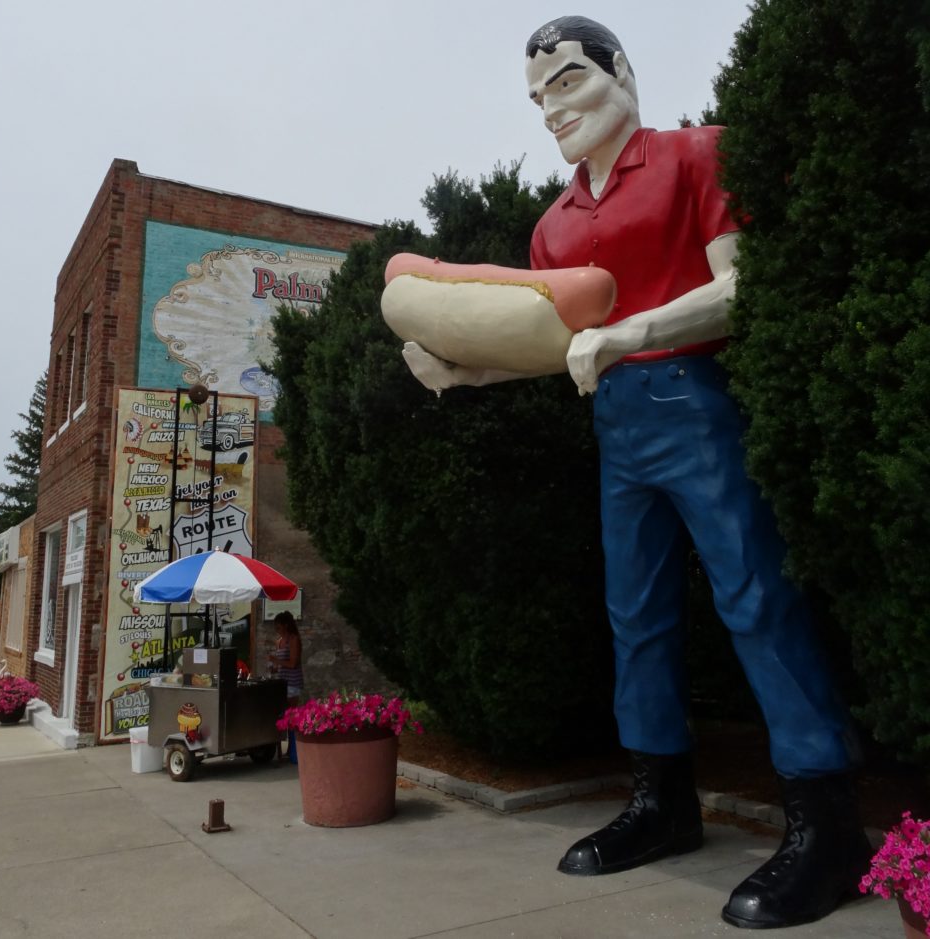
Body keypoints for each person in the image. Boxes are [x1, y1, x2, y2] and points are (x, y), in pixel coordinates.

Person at [399, 15, 870, 930]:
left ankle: (828, 819)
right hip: (618, 428)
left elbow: (744, 282)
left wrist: (633, 333)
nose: (552, 109)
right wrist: (464, 371)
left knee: (755, 597)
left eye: (568, 82)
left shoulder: (698, 156)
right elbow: (559, 348)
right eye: (539, 97)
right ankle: (663, 798)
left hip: (699, 406)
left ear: (620, 73)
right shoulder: (554, 227)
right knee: (637, 613)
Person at [268, 611, 303, 706]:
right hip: (282, 683)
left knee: (290, 714)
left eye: (278, 626)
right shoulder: (278, 641)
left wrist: (276, 660)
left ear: (286, 625)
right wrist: (274, 669)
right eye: (275, 626)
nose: (276, 629)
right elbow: (281, 665)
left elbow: (293, 664)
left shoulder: (293, 639)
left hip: (292, 684)